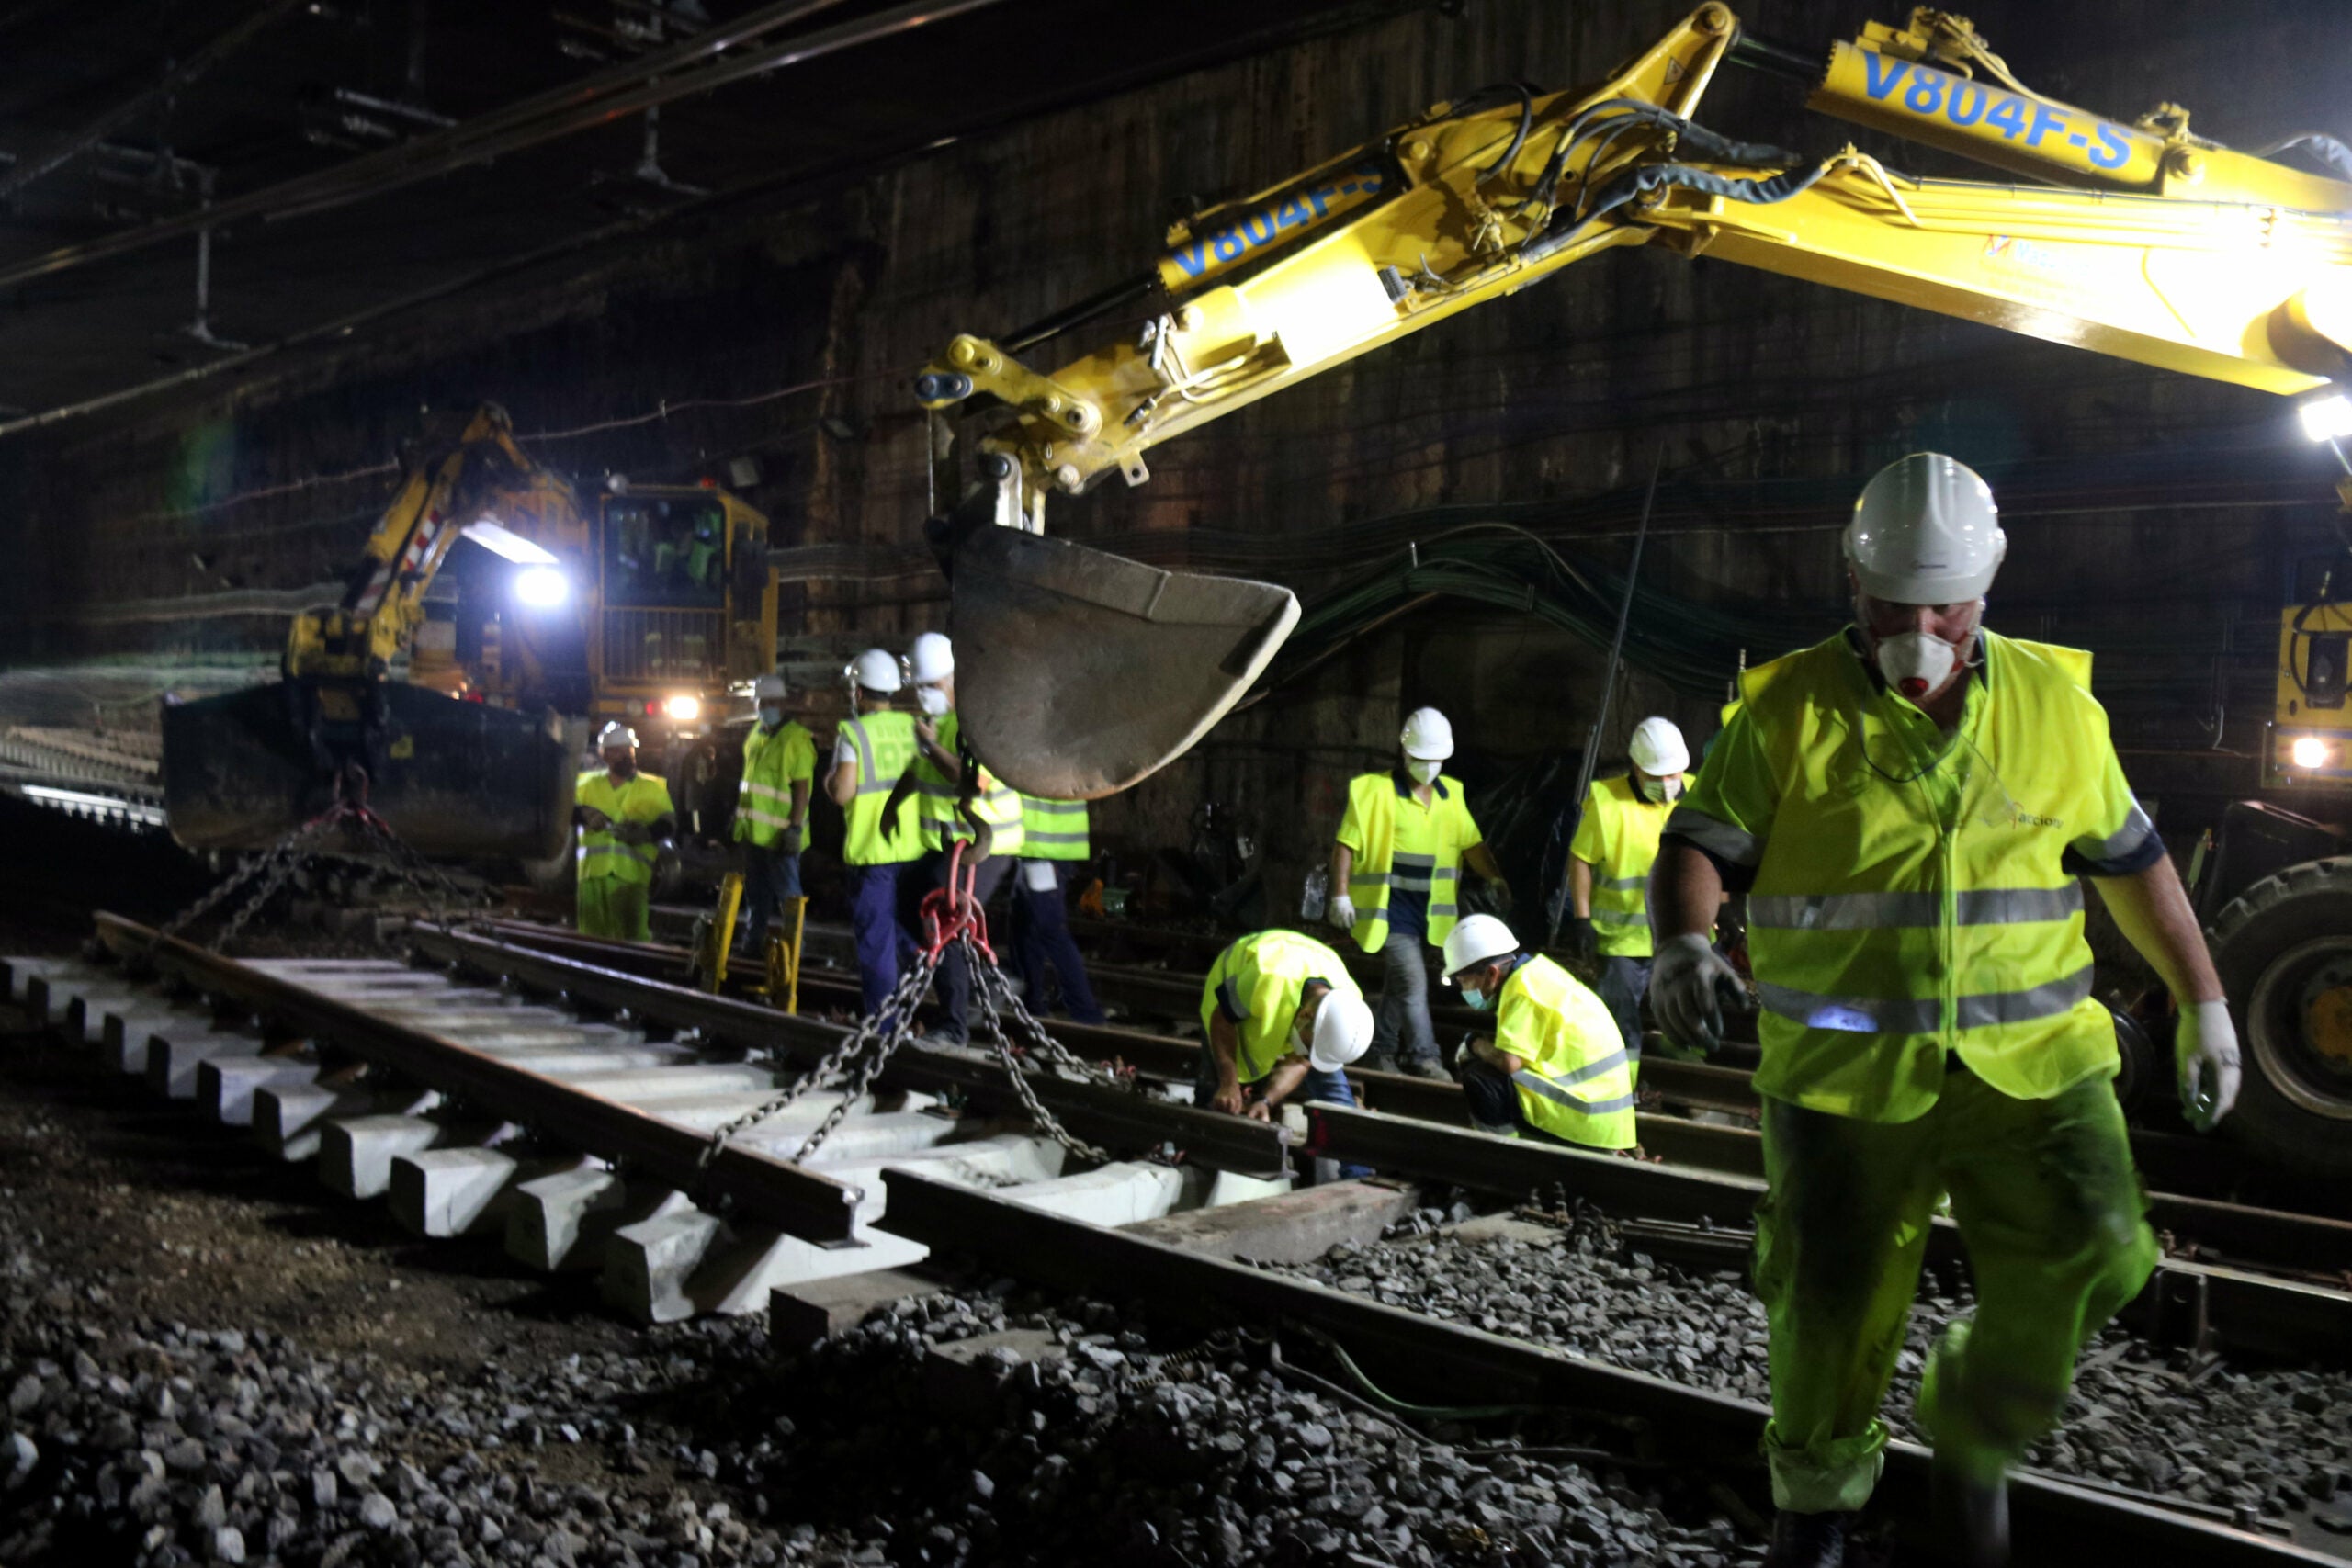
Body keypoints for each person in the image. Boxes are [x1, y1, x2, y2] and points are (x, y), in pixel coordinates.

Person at [1646, 453, 2241, 1568]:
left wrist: (2202, 998)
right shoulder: (1784, 708)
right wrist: (1681, 939)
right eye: (1889, 607)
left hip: (2037, 1066)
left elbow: (2130, 858)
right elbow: (1700, 844)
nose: (1916, 631)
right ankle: (1814, 1509)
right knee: (1828, 1306)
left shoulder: (2058, 707)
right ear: (1851, 583)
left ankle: (1971, 1422)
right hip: (1841, 1083)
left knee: (2103, 1252)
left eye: (1944, 609)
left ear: (1987, 585)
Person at [1329, 706, 1512, 1080]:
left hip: (1427, 914)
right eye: (1421, 758)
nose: (1428, 767)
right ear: (1404, 753)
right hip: (1388, 911)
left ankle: (1379, 1050)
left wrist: (1495, 878)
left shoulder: (1451, 796)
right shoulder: (1373, 792)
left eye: (1435, 759)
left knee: (1399, 987)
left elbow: (1473, 845)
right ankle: (1424, 1056)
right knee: (1413, 982)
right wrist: (1339, 894)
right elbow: (1345, 845)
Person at [881, 632, 1026, 1043]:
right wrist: (893, 806)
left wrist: (930, 748)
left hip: (984, 843)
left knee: (941, 918)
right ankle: (985, 981)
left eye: (930, 685)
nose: (923, 694)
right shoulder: (939, 724)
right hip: (949, 845)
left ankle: (953, 1025)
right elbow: (918, 772)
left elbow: (972, 783)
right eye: (919, 687)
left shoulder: (976, 724)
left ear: (952, 680)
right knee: (907, 900)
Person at [1441, 913, 1637, 1151]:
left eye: (1464, 981)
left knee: (1481, 1079)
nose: (1464, 990)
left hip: (1587, 1117)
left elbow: (1509, 1063)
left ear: (1492, 973)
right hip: (1605, 1117)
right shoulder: (1537, 973)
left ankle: (1504, 1157)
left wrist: (1474, 1044)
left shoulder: (1522, 991)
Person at [1567, 715, 1695, 1063]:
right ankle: (1624, 1083)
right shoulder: (1607, 803)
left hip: (1681, 933)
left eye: (1673, 775)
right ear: (1637, 768)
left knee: (1689, 1014)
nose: (1668, 784)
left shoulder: (1697, 794)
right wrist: (1582, 919)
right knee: (1618, 1021)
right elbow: (1581, 860)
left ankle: (1687, 1076)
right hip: (1622, 939)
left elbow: (1712, 855)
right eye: (1658, 776)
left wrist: (1721, 906)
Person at [1195, 930, 1375, 1134]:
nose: (1308, 1055)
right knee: (1217, 1094)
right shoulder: (1267, 978)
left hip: (1300, 972)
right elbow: (1221, 1020)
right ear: (1306, 1015)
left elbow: (1301, 1062)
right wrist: (1229, 1082)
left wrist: (1265, 1101)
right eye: (1309, 1047)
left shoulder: (1347, 1004)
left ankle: (1350, 1149)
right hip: (1236, 984)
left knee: (1336, 1097)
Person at [825, 649, 924, 1015]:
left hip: (872, 852)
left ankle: (883, 1026)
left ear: (859, 692)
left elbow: (842, 792)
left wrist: (829, 780)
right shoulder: (912, 727)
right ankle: (920, 993)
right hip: (913, 849)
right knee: (907, 931)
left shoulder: (853, 733)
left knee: (877, 942)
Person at [733, 673, 816, 958]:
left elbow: (802, 789)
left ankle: (796, 951)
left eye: (771, 701)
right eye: (761, 702)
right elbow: (750, 781)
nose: (765, 707)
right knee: (756, 894)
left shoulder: (796, 739)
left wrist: (795, 828)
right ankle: (753, 943)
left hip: (781, 835)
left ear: (782, 703)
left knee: (788, 896)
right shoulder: (756, 733)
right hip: (753, 832)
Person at [573, 722, 675, 942]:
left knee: (634, 941)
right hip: (593, 878)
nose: (627, 756)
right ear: (605, 754)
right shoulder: (586, 784)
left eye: (629, 750)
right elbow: (562, 813)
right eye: (619, 751)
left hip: (632, 879)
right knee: (591, 942)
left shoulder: (653, 787)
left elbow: (668, 825)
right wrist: (584, 814)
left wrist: (645, 833)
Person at [1011, 792, 1107, 1024]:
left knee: (1049, 930)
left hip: (1043, 849)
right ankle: (1031, 1006)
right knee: (1025, 930)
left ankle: (1086, 1014)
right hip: (1035, 848)